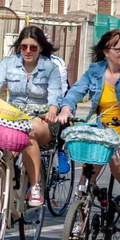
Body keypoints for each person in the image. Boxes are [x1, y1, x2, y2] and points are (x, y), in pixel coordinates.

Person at [57, 29, 120, 220]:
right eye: (119, 49)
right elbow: (76, 90)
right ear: (107, 51)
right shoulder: (95, 70)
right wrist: (66, 108)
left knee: (116, 157)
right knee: (88, 173)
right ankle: (79, 222)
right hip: (103, 130)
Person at [0, 26, 62, 209]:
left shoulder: (50, 68)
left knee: (29, 132)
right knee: (4, 154)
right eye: (23, 47)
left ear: (41, 48)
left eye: (33, 47)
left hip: (41, 118)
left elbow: (55, 94)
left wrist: (52, 111)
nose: (28, 51)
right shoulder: (8, 63)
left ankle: (35, 186)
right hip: (14, 116)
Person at [44, 33, 71, 174]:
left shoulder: (58, 63)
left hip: (58, 98)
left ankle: (61, 150)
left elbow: (59, 90)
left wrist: (54, 109)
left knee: (61, 119)